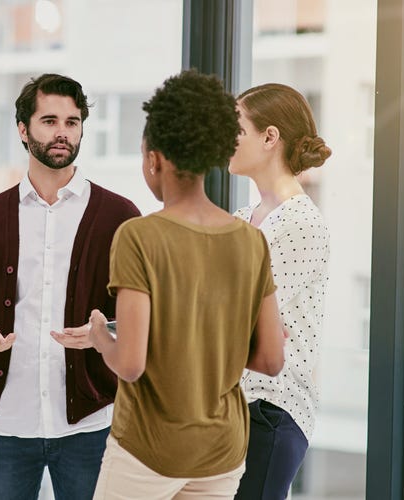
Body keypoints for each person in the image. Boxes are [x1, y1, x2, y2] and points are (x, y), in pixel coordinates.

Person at [85, 70, 286, 499]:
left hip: (149, 449)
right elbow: (271, 359)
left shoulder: (139, 236)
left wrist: (101, 338)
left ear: (154, 159)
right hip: (222, 453)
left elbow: (131, 363)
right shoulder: (251, 240)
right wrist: (213, 342)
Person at [0, 73, 140, 500]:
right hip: (4, 423)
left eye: (72, 122)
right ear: (23, 129)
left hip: (90, 425)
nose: (62, 132)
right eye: (50, 120)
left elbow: (141, 317)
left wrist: (103, 334)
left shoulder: (120, 216)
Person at [229, 83, 332, 500]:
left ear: (269, 137)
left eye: (235, 128)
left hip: (270, 411)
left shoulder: (301, 224)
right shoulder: (241, 219)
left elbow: (241, 318)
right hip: (235, 408)